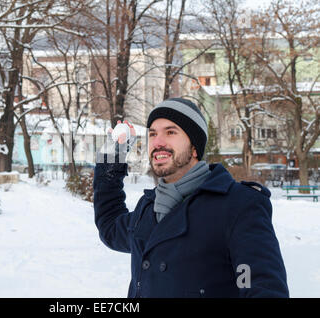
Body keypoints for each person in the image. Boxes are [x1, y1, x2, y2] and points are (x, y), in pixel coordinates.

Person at [93, 97, 289, 298]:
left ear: (194, 147)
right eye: (152, 134)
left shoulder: (237, 205)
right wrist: (112, 155)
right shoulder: (148, 209)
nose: (158, 142)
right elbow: (110, 226)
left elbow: (262, 286)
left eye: (170, 132)